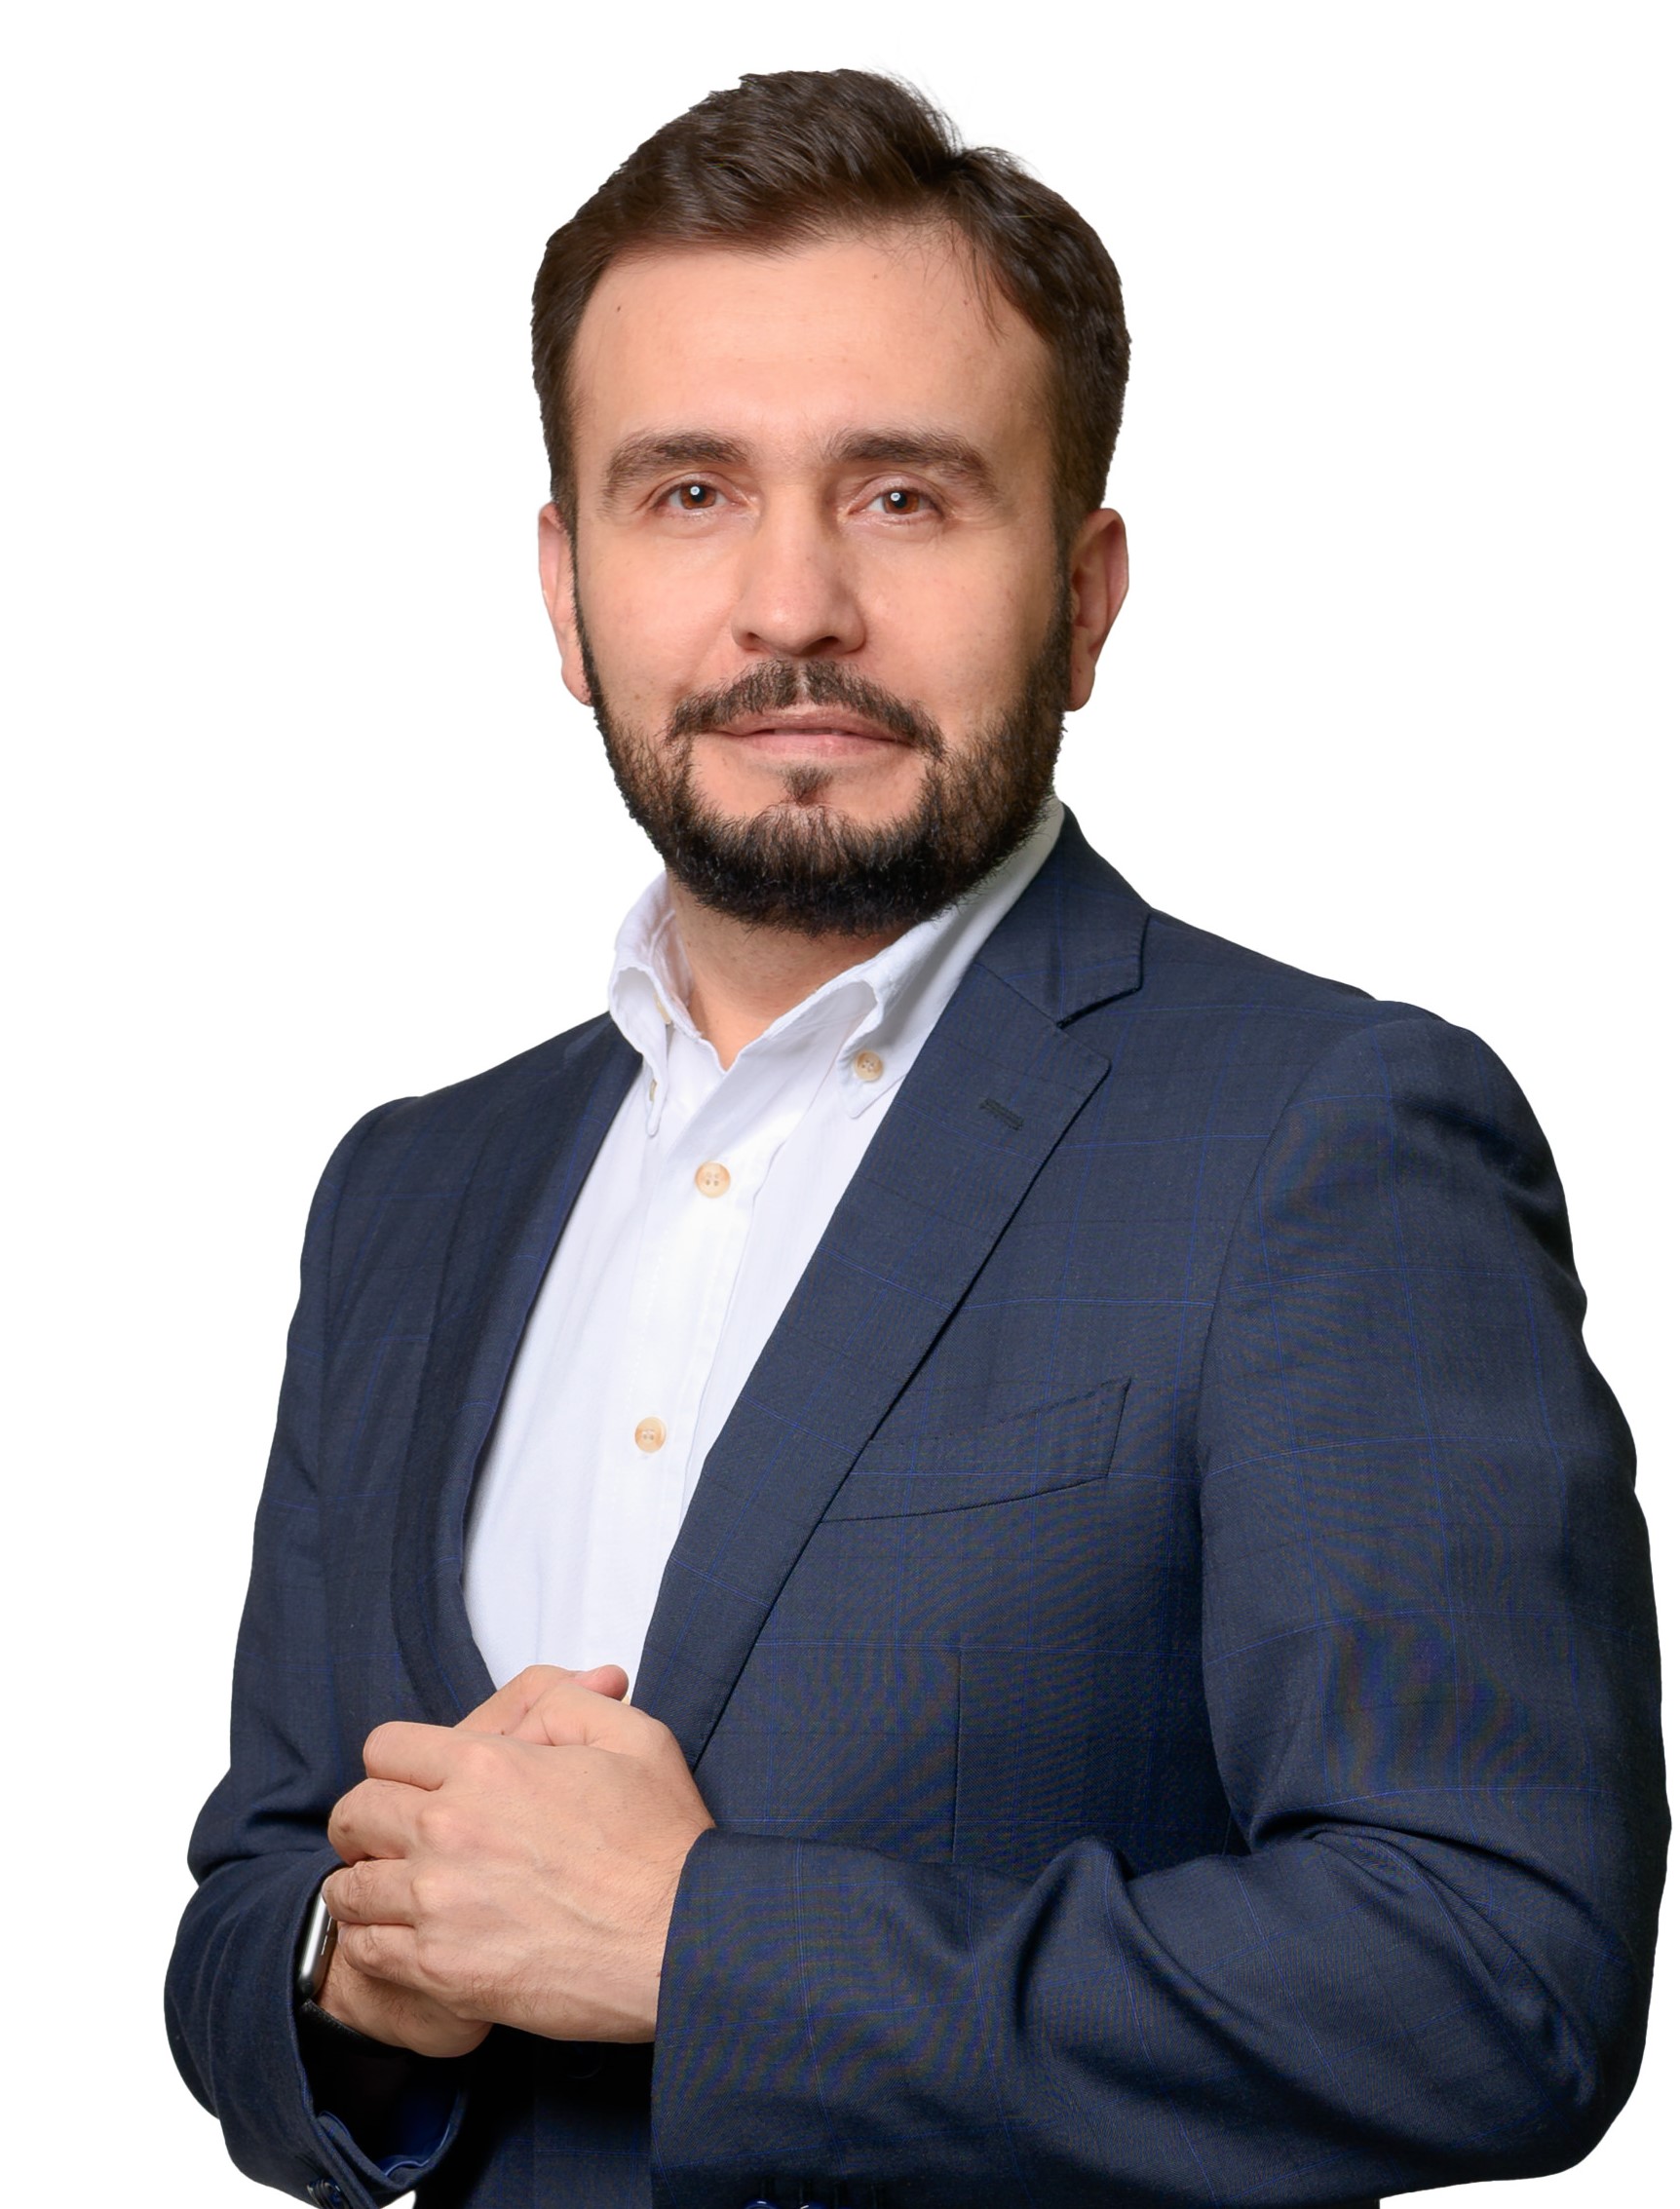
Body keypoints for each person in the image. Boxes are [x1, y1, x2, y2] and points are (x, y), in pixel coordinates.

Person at [166, 68, 1664, 2209]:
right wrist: (355, 1965)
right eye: (688, 492)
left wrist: (700, 1948)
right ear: (565, 590)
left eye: (900, 497)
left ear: (1084, 592)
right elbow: (254, 1891)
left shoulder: (1322, 1139)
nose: (790, 607)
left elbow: (1494, 1976)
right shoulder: (410, 1191)